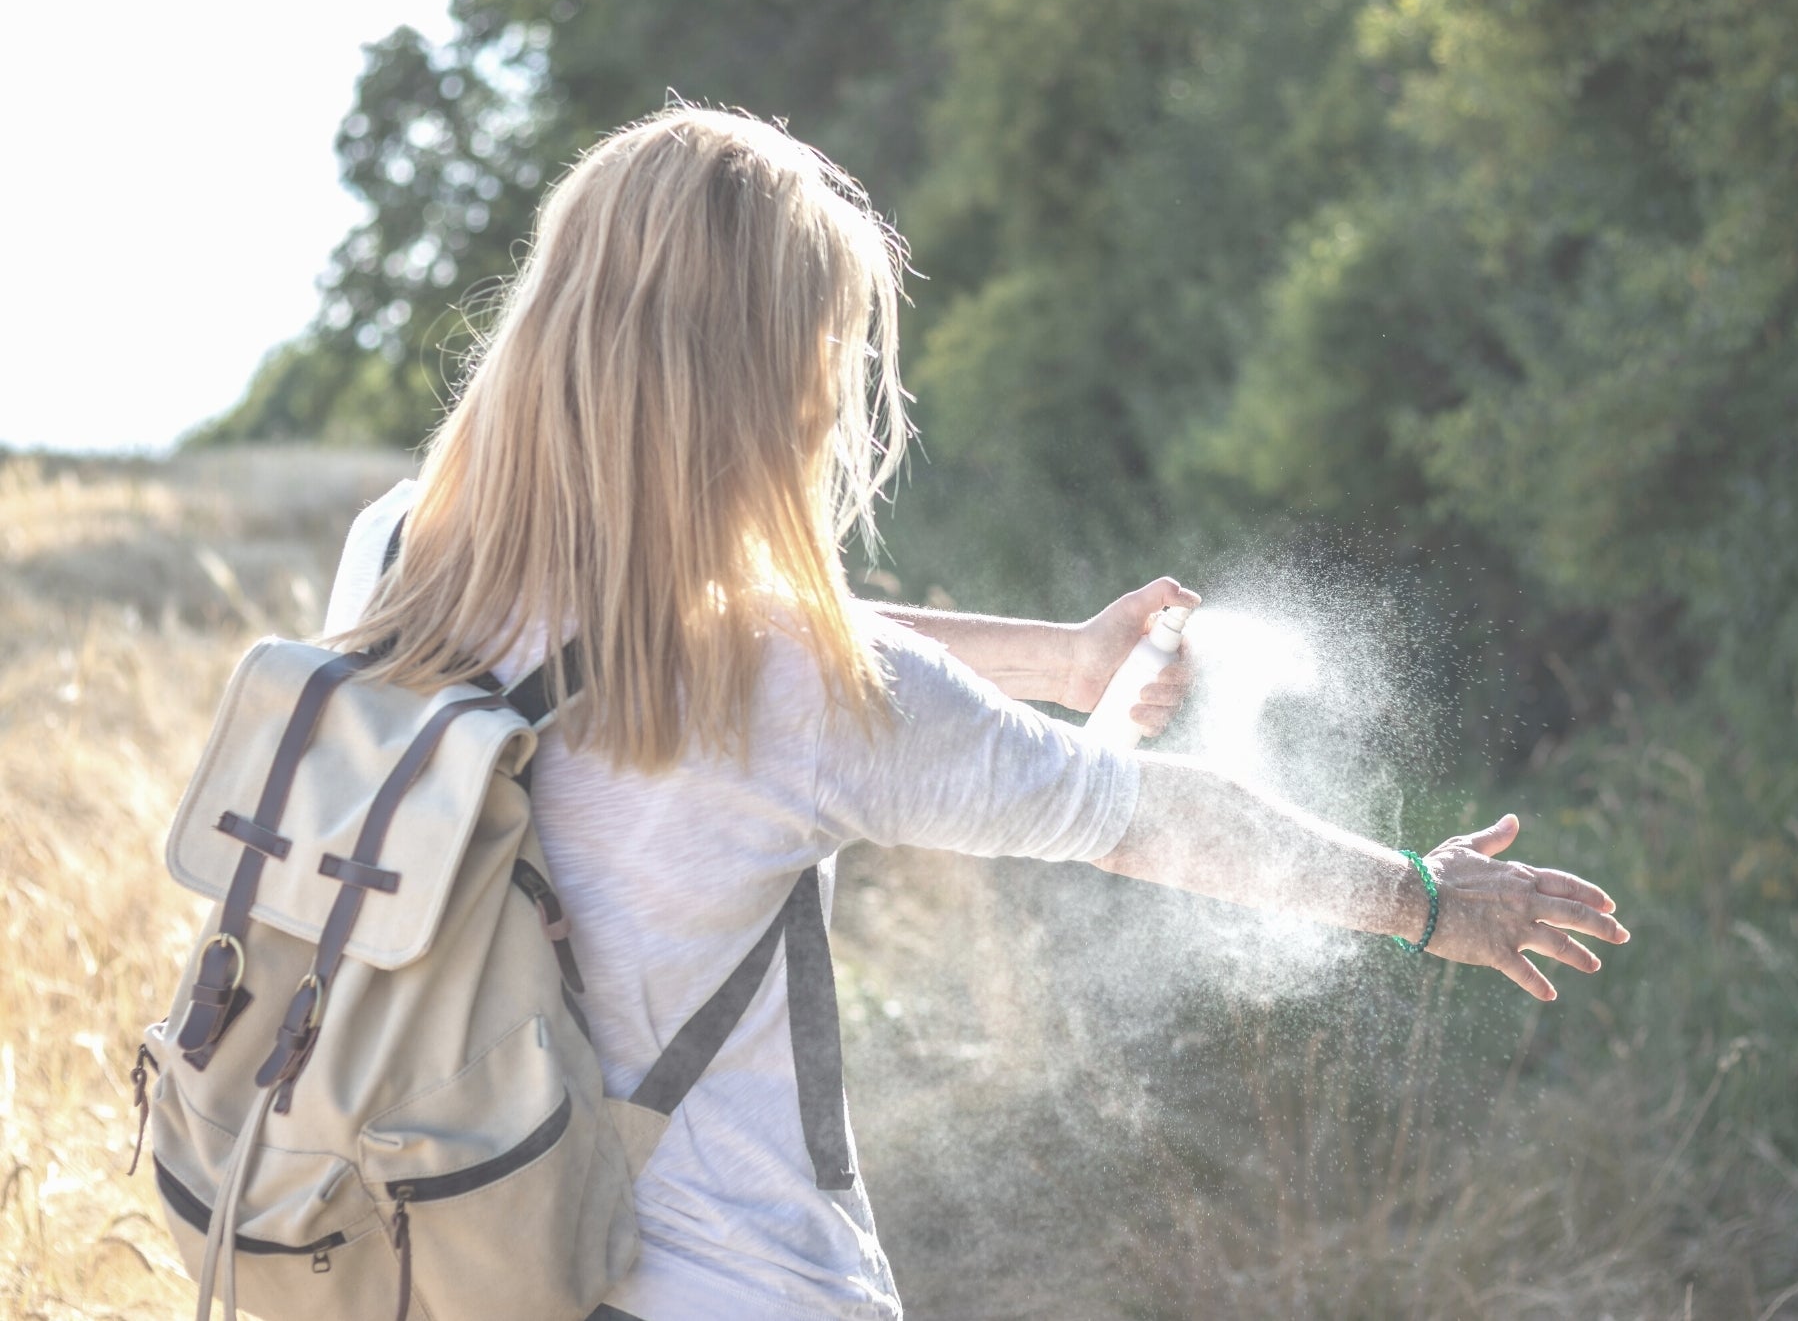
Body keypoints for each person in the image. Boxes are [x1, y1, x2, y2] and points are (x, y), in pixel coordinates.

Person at [324, 104, 1628, 1321]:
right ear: (769, 372)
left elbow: (686, 623)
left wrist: (1063, 661)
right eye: (826, 342)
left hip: (444, 1261)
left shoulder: (404, 552)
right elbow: (1149, 818)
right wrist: (1428, 899)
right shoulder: (794, 685)